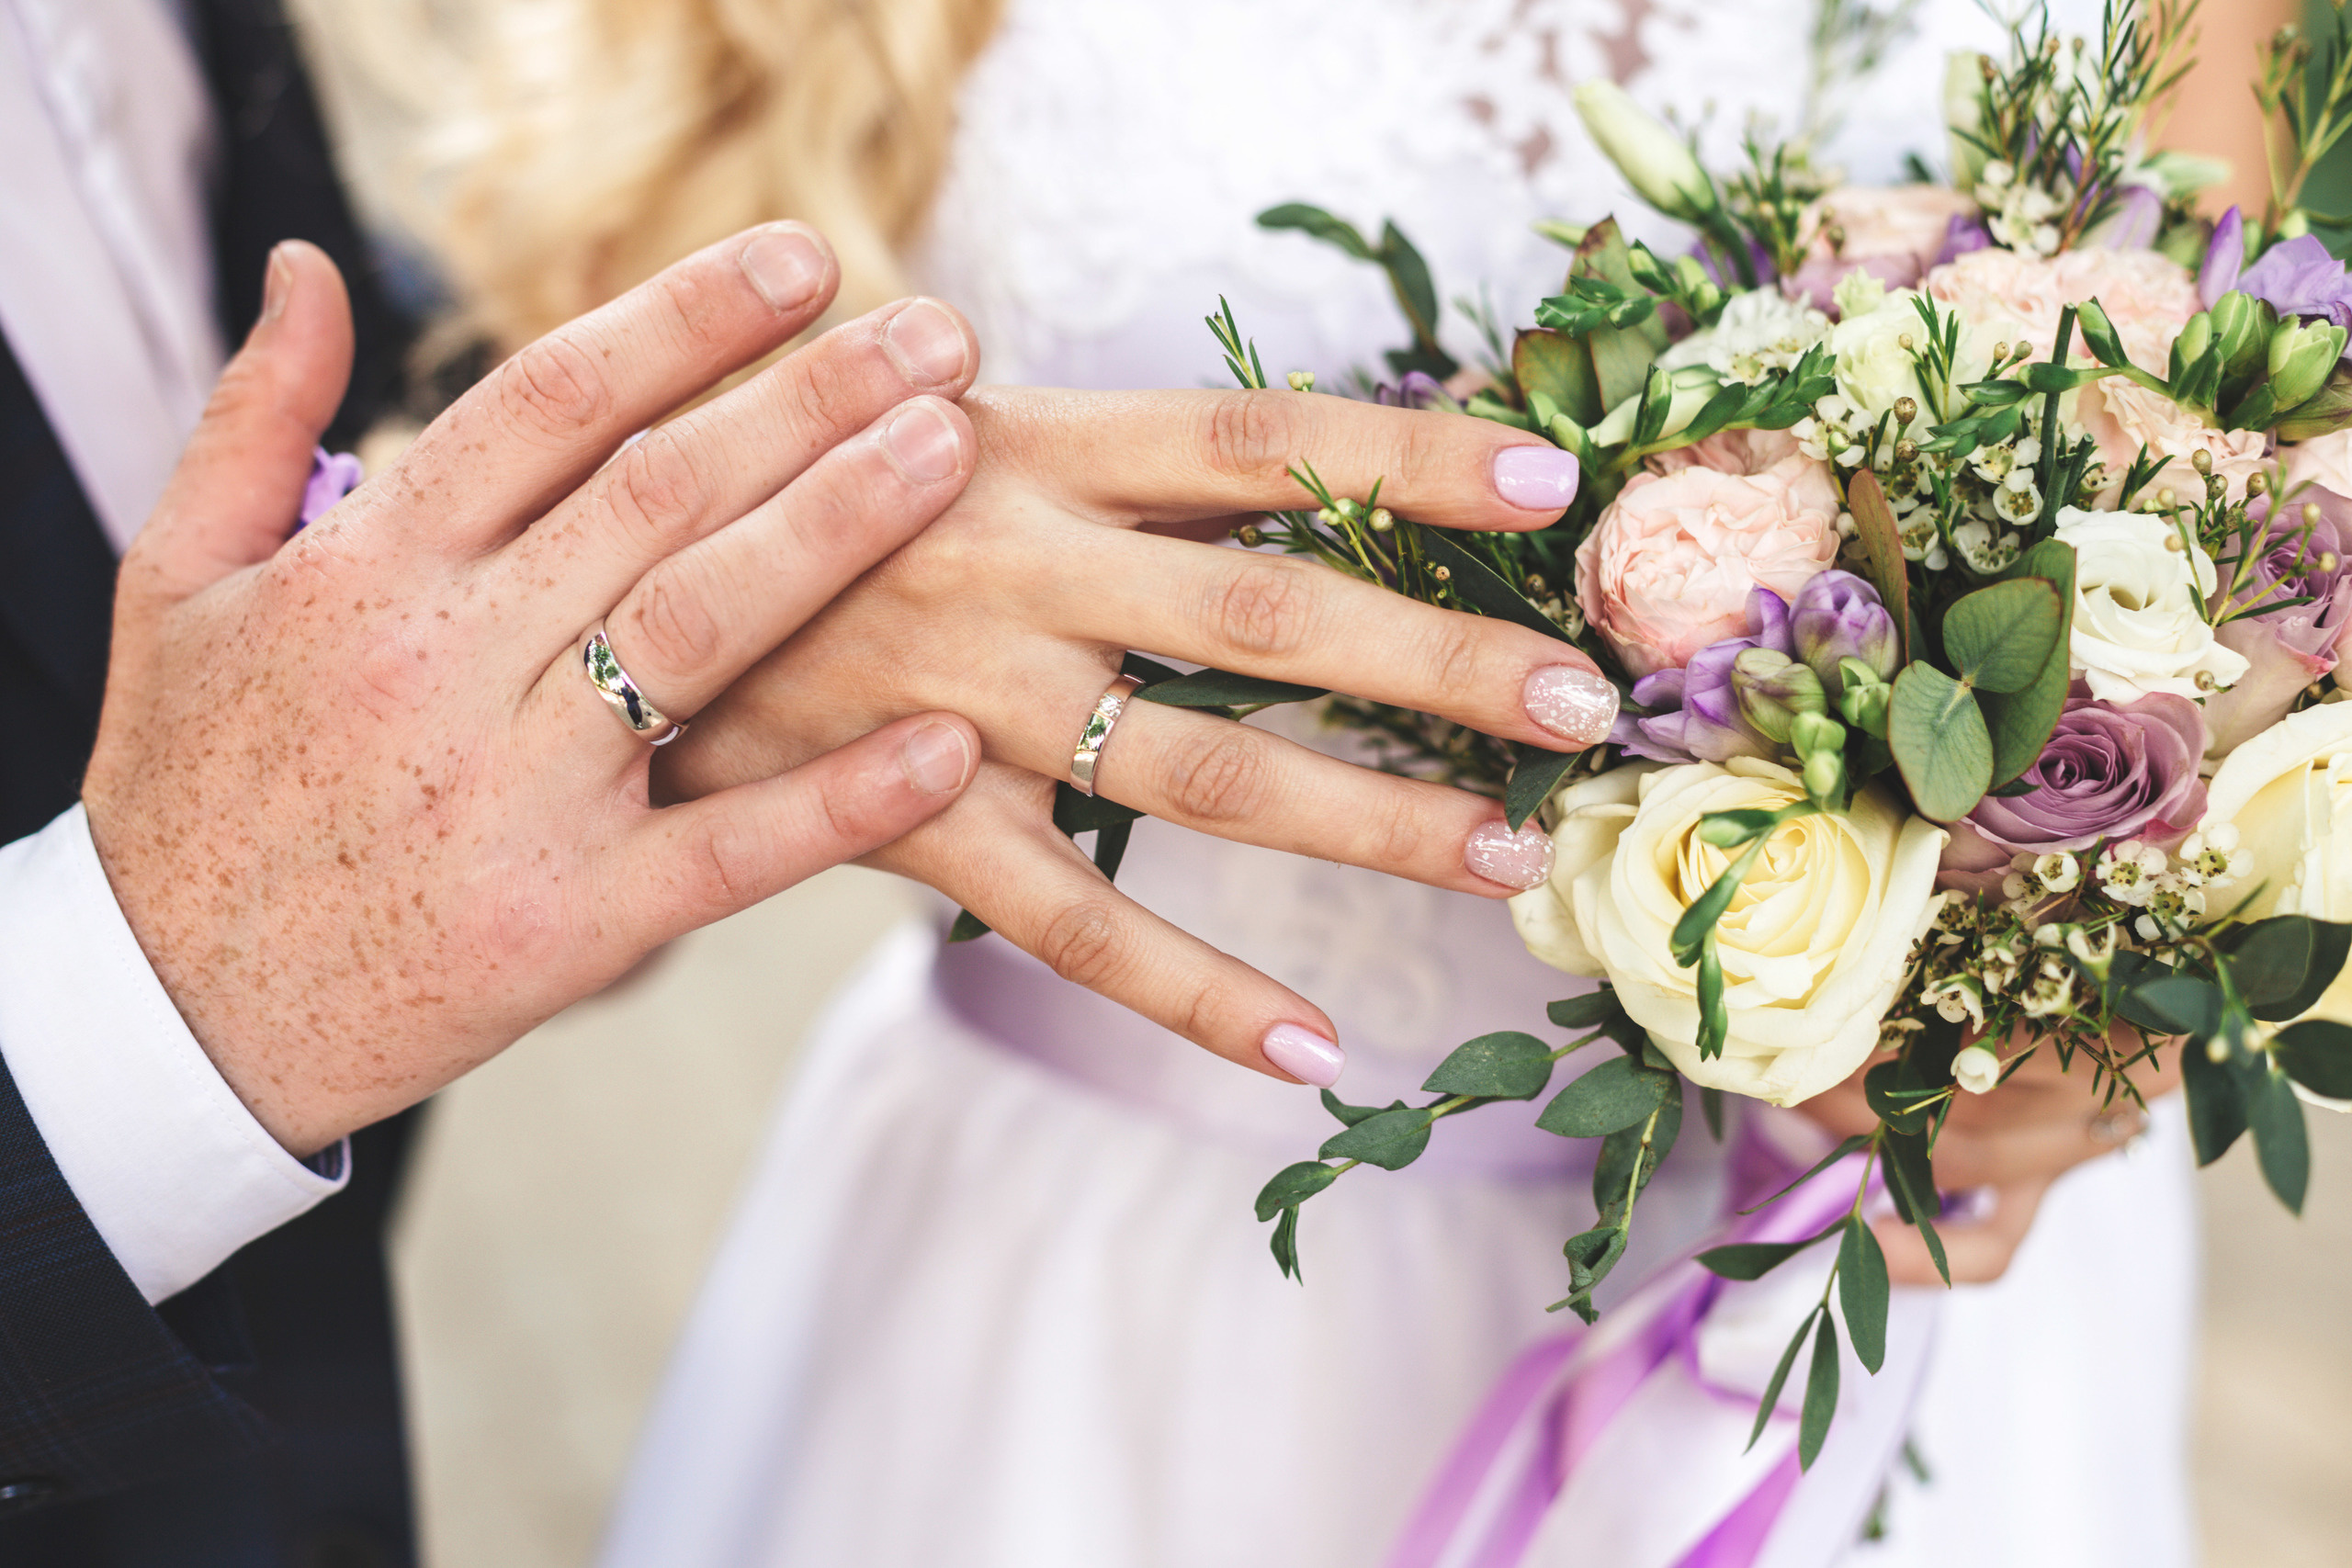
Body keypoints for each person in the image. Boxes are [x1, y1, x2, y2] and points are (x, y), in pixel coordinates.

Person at [384, 0, 2281, 1563]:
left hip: (1872, 1301)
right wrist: (736, 673)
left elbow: (2254, 540)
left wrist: (2085, 1026)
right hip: (1123, 1308)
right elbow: (476, 820)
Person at [1, 10, 1620, 1565]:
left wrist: (1868, 982)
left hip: (1766, 1255)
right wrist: (745, 598)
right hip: (1081, 1287)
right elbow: (410, 822)